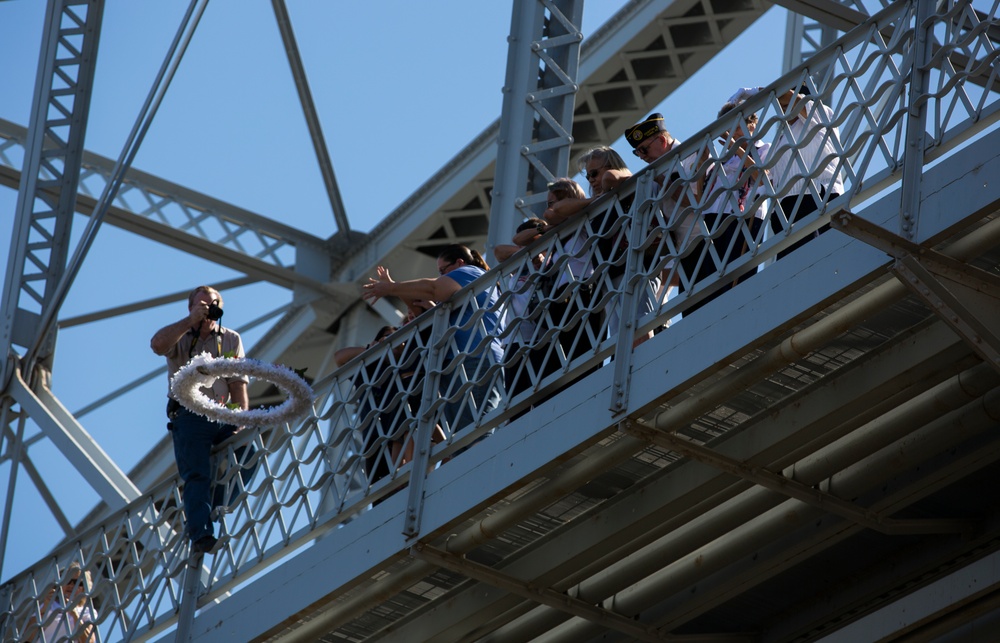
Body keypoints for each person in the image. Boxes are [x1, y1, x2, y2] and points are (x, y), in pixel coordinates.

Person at [361, 245, 505, 445]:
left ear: (459, 263)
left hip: (475, 358)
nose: (440, 276)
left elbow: (433, 288)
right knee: (464, 436)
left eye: (442, 271)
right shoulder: (461, 291)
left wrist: (392, 288)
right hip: (460, 363)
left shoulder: (470, 273)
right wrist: (396, 288)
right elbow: (421, 308)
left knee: (476, 432)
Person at [150, 285, 254, 555]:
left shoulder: (230, 338)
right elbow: (156, 345)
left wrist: (239, 419)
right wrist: (190, 322)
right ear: (191, 307)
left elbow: (238, 382)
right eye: (204, 304)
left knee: (249, 453)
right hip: (189, 415)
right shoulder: (181, 336)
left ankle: (216, 505)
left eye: (214, 304)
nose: (210, 309)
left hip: (222, 414)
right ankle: (202, 535)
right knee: (196, 474)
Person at [677, 100, 769, 313]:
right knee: (711, 278)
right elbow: (701, 199)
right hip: (712, 220)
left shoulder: (762, 149)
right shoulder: (721, 160)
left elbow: (762, 178)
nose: (731, 133)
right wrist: (701, 168)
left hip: (744, 217)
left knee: (735, 279)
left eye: (736, 126)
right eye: (728, 128)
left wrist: (738, 149)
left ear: (752, 124)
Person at [762, 85, 845, 258]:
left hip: (816, 196)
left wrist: (761, 91)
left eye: (786, 105)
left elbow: (788, 97)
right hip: (787, 208)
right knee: (790, 266)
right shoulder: (782, 136)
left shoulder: (818, 113)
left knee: (818, 258)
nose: (783, 110)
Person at [27, 562, 97, 643]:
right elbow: (27, 638)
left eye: (77, 582)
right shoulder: (48, 605)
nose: (71, 585)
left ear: (84, 588)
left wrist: (75, 614)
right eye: (67, 580)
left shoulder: (86, 611)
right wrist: (44, 609)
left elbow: (89, 641)